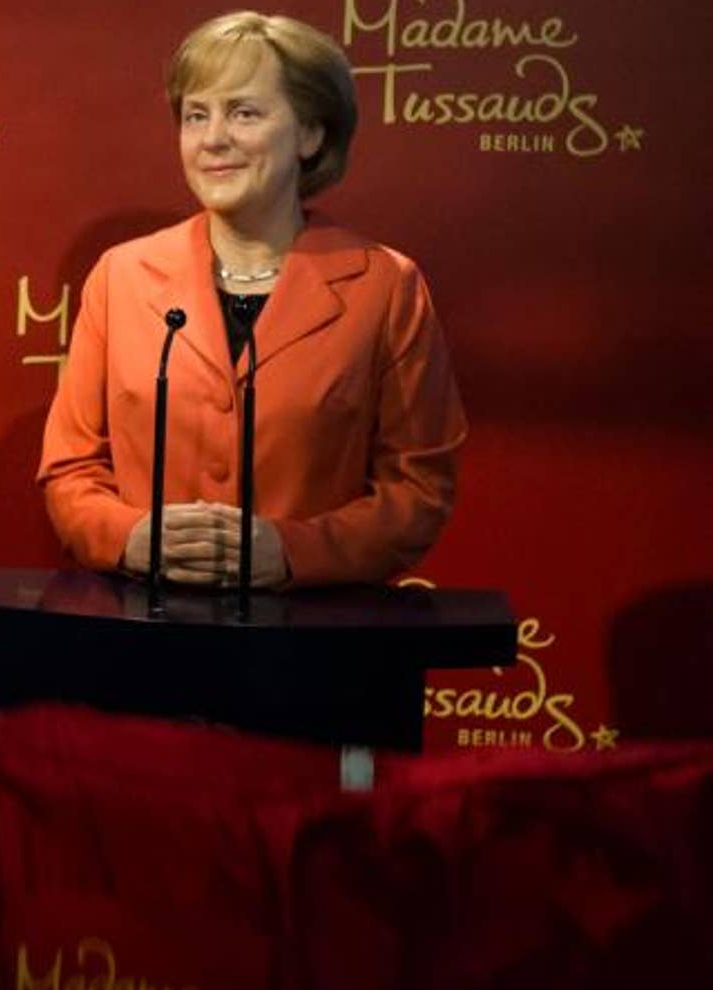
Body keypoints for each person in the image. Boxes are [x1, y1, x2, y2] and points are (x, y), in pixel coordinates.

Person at [39, 11, 464, 589]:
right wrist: (128, 537)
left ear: (310, 134)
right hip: (145, 628)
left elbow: (418, 490)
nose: (213, 138)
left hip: (310, 630)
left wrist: (293, 551)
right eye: (196, 115)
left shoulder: (386, 287)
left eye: (244, 113)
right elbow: (70, 470)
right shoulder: (121, 276)